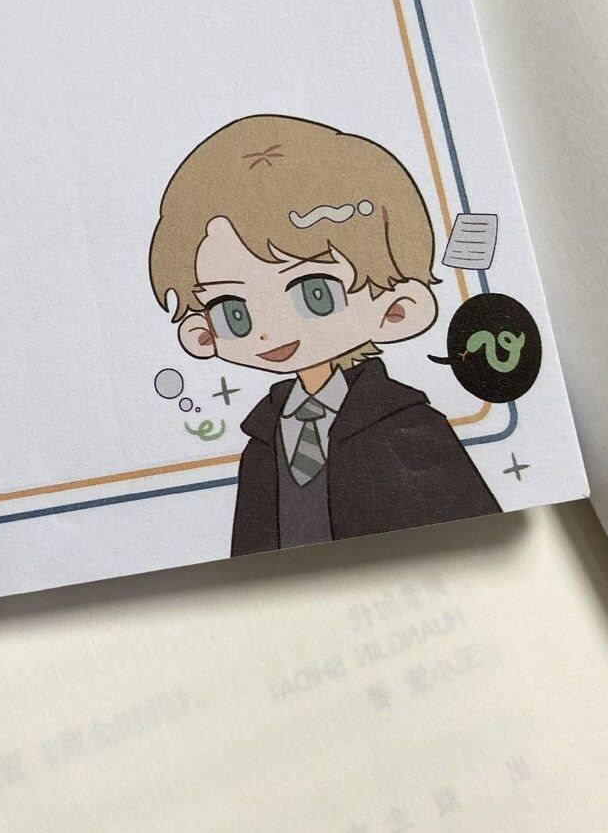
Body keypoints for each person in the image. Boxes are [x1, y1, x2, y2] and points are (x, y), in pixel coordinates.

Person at [148, 115, 498, 555]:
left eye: (316, 293)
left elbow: (474, 535)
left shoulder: (408, 427)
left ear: (398, 309)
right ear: (202, 333)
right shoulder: (263, 442)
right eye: (234, 312)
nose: (269, 331)